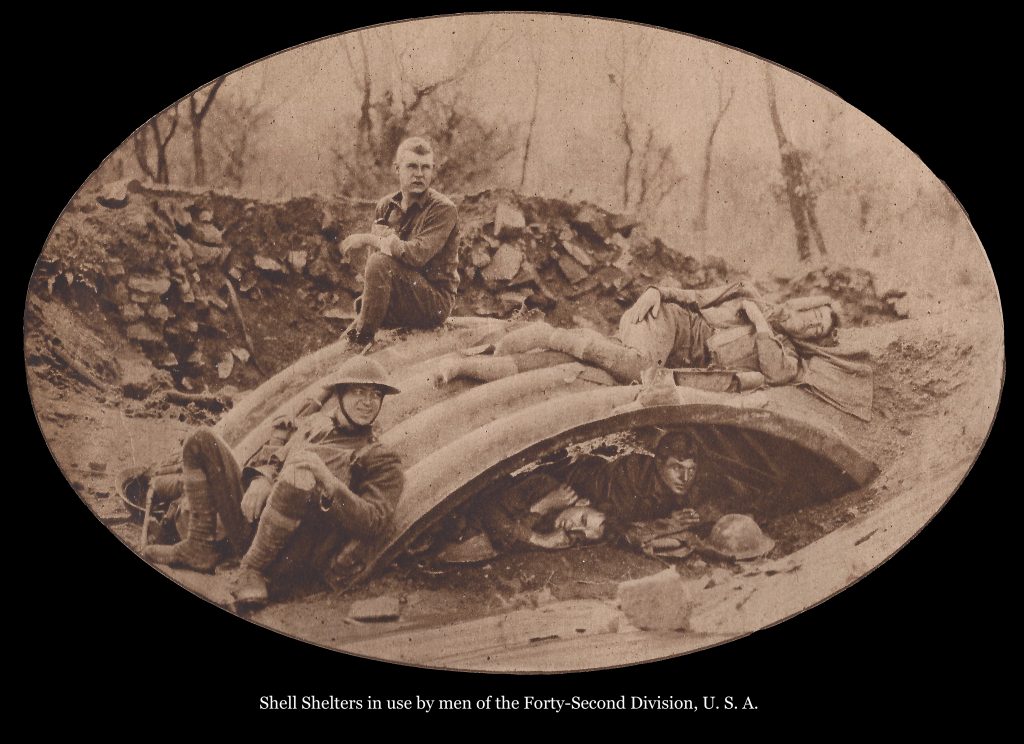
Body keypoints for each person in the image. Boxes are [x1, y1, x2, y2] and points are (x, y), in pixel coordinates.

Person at [142, 356, 405, 607]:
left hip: (288, 552)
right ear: (340, 393)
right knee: (200, 439)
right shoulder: (316, 425)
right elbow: (276, 457)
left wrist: (327, 480)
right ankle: (199, 547)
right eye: (359, 392)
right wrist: (262, 479)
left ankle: (251, 569)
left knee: (299, 475)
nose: (368, 402)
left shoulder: (379, 457)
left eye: (376, 395)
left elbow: (374, 520)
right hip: (253, 522)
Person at [479, 431, 706, 551]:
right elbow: (488, 510)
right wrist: (541, 524)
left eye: (579, 533)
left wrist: (668, 523)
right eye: (584, 518)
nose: (574, 527)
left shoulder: (560, 529)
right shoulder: (547, 487)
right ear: (583, 502)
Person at [339, 137, 460, 346]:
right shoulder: (385, 206)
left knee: (380, 264)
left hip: (434, 301)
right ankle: (362, 331)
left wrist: (369, 238)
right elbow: (376, 257)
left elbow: (416, 255)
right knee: (373, 272)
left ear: (433, 170)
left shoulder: (443, 209)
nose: (419, 174)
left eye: (426, 167)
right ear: (397, 169)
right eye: (412, 166)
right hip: (400, 295)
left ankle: (362, 342)